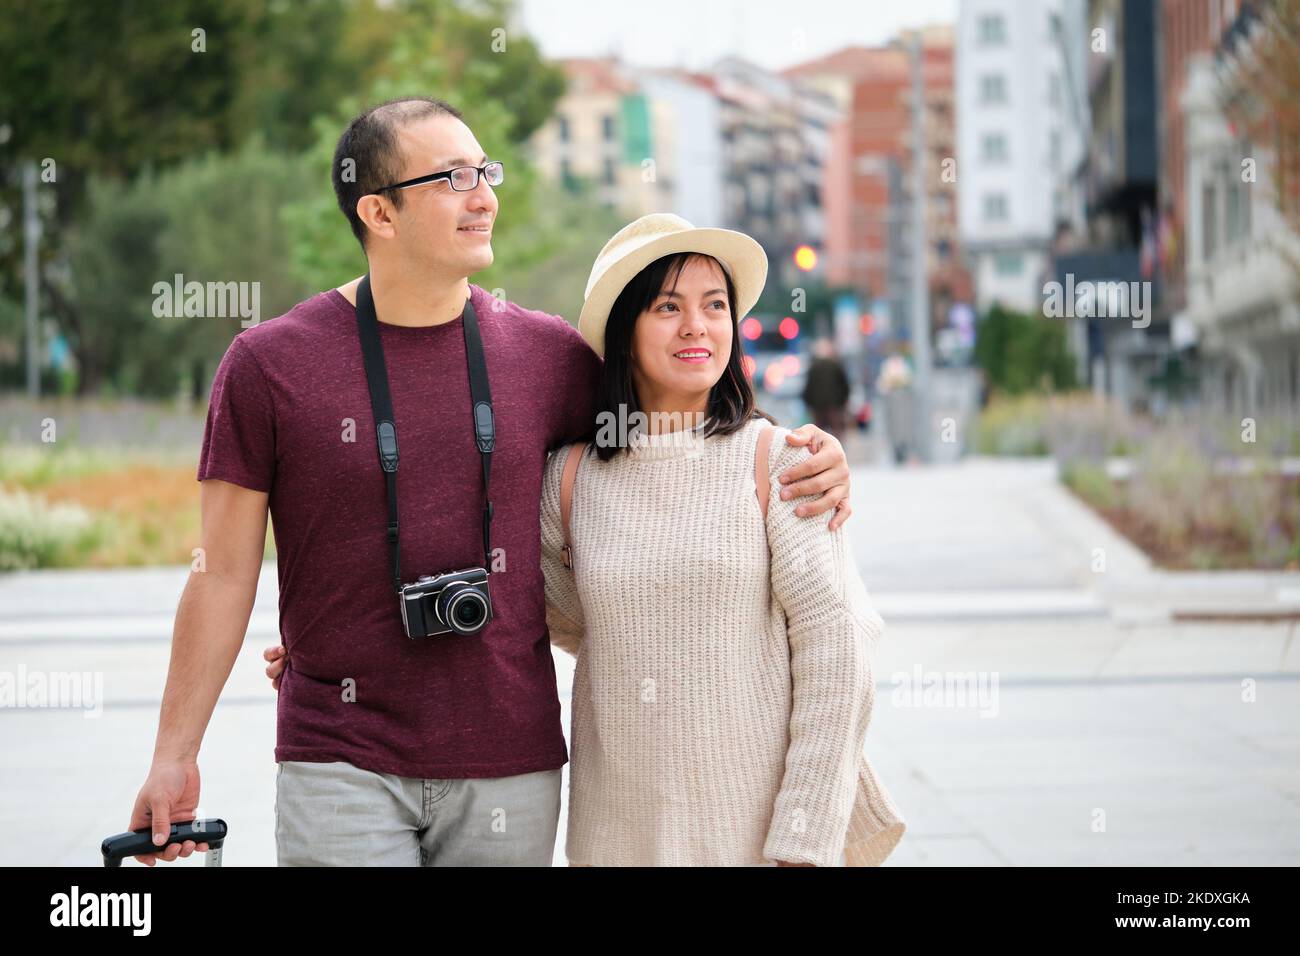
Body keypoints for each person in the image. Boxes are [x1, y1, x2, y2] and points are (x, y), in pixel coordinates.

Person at [129, 97, 855, 867]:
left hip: (511, 762)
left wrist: (802, 451)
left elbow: (674, 434)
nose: (485, 196)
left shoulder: (545, 356)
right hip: (337, 752)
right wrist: (175, 753)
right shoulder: (268, 366)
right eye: (455, 177)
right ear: (379, 210)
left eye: (487, 172)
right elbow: (221, 573)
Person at [272, 214, 907, 866]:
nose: (697, 325)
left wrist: (803, 842)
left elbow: (838, 654)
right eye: (668, 307)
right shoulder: (572, 480)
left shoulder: (782, 464)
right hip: (616, 834)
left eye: (715, 306)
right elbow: (533, 613)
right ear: (623, 333)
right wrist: (337, 638)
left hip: (757, 834)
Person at [802, 338, 851, 439]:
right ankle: (837, 451)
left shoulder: (813, 367)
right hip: (833, 405)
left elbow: (808, 387)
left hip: (818, 405)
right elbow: (844, 385)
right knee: (836, 431)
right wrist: (842, 402)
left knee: (818, 434)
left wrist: (809, 403)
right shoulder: (835, 365)